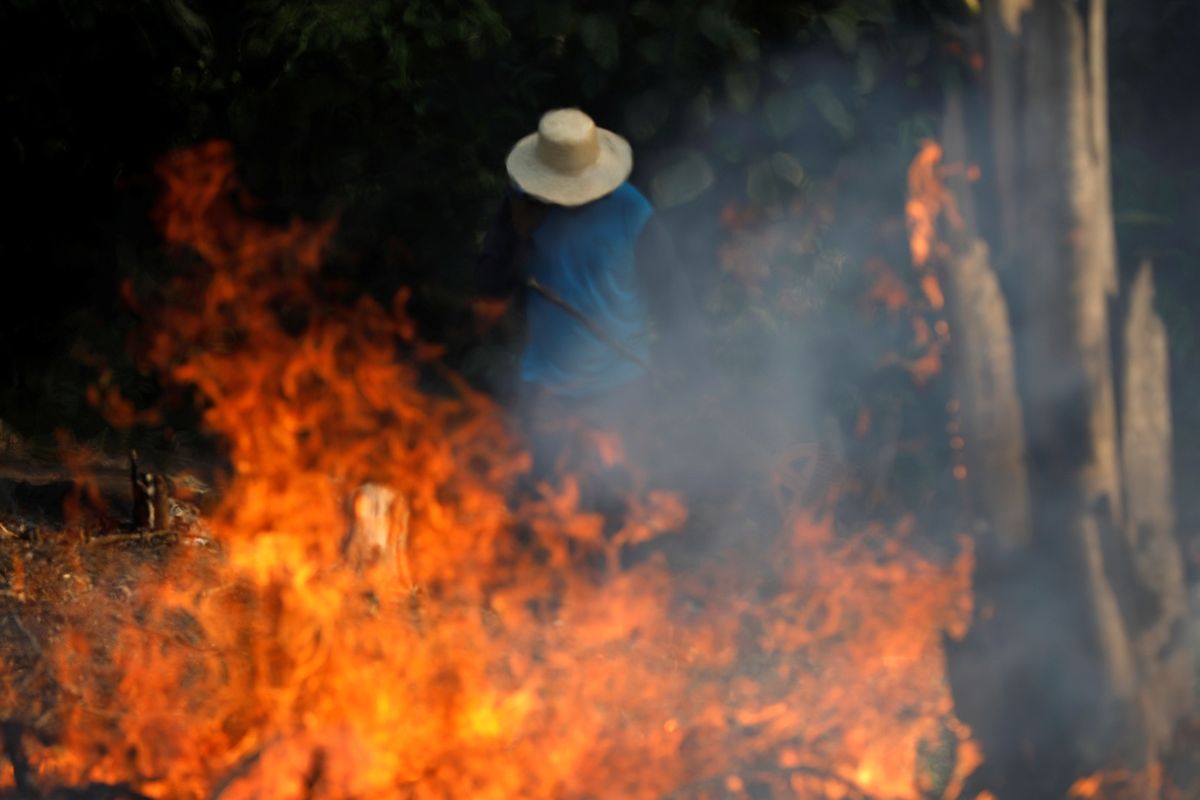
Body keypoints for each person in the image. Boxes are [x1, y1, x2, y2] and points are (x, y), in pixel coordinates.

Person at [475, 108, 700, 493]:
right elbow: (491, 286)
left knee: (613, 502)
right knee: (545, 499)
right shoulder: (524, 208)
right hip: (547, 386)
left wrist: (686, 366)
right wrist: (520, 234)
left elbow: (672, 297)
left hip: (620, 385)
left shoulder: (633, 212)